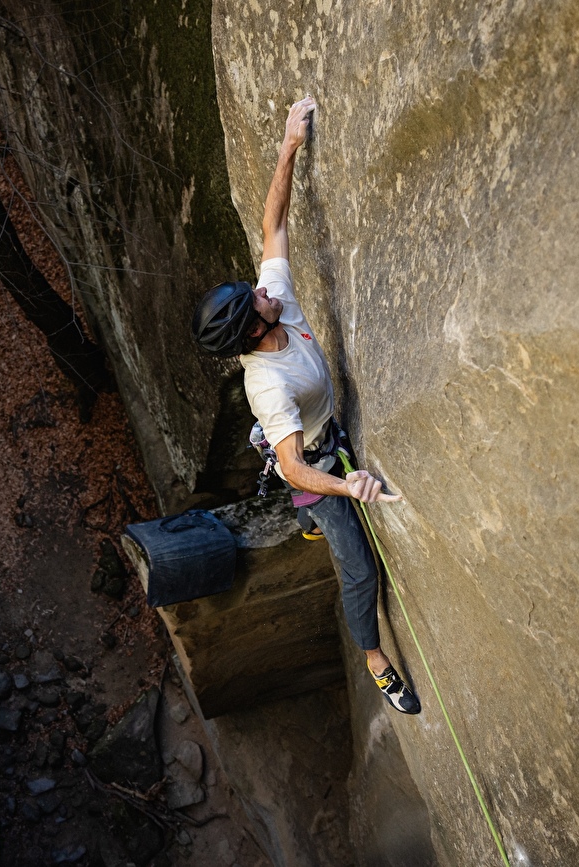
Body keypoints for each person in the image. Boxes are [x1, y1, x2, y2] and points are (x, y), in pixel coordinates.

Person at [190, 96, 420, 715]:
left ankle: (308, 520)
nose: (263, 288)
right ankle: (375, 660)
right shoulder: (265, 384)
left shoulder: (275, 305)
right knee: (361, 573)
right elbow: (295, 470)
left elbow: (275, 225)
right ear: (252, 331)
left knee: (312, 508)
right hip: (313, 464)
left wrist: (289, 144)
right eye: (256, 298)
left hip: (320, 435)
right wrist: (352, 489)